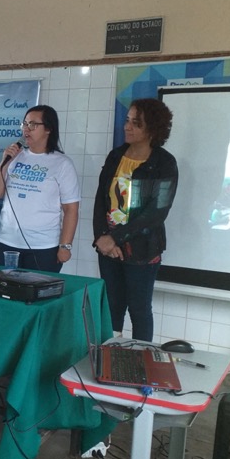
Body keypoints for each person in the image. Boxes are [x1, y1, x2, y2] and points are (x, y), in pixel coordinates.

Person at [92, 98, 178, 343]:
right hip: (108, 248)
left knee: (139, 309)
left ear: (152, 129)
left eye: (136, 123)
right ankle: (110, 358)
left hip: (142, 248)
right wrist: (102, 238)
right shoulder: (115, 156)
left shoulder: (164, 163)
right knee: (111, 307)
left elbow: (156, 212)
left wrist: (115, 237)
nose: (127, 127)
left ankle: (142, 364)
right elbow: (101, 200)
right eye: (127, 120)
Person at [0, 105, 79, 272]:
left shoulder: (62, 163)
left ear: (49, 129)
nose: (26, 129)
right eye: (25, 124)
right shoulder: (14, 157)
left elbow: (71, 209)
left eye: (33, 125)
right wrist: (4, 161)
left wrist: (65, 246)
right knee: (7, 294)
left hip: (44, 247)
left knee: (37, 296)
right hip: (6, 243)